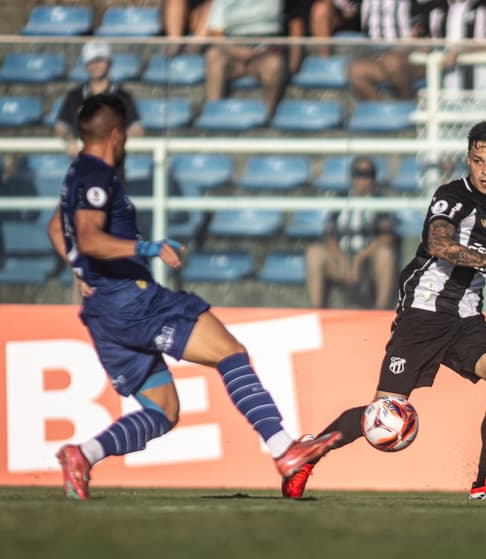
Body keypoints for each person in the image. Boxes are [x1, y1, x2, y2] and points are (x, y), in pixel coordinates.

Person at [47, 93, 341, 500]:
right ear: (116, 135)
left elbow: (55, 229)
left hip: (102, 312)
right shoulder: (97, 175)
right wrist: (146, 249)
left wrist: (80, 270)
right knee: (230, 352)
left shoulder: (77, 173)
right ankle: (283, 450)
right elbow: (89, 236)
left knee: (162, 412)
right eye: (126, 136)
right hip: (131, 301)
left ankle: (83, 454)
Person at [283, 118, 486, 500]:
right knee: (384, 411)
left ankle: (485, 483)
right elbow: (438, 243)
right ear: (468, 158)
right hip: (424, 313)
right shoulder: (453, 196)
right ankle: (307, 454)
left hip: (464, 316)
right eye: (478, 160)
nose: (485, 170)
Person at [305, 156, 397, 310]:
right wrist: (342, 259)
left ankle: (381, 312)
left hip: (369, 259)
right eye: (358, 174)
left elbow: (387, 237)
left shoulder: (380, 201)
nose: (362, 180)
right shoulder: (341, 200)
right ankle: (317, 311)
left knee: (385, 255)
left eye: (367, 175)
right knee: (314, 253)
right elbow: (330, 234)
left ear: (373, 178)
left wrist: (359, 259)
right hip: (341, 258)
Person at [204, 0, 305, 119]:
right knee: (213, 56)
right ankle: (212, 115)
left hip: (267, 50)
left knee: (274, 65)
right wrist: (235, 51)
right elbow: (215, 32)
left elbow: (295, 20)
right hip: (232, 50)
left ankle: (268, 118)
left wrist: (295, 59)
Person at [55, 40, 143, 158]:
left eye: (100, 60)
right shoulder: (74, 96)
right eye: (91, 61)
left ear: (109, 62)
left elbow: (137, 129)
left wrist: (116, 140)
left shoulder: (123, 96)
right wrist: (69, 140)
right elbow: (61, 127)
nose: (96, 65)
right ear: (86, 64)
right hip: (83, 167)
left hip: (113, 169)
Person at [348, 0, 449, 101]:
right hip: (376, 53)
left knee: (391, 63)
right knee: (355, 70)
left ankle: (407, 104)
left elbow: (426, 26)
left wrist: (418, 36)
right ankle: (380, 110)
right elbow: (349, 11)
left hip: (408, 52)